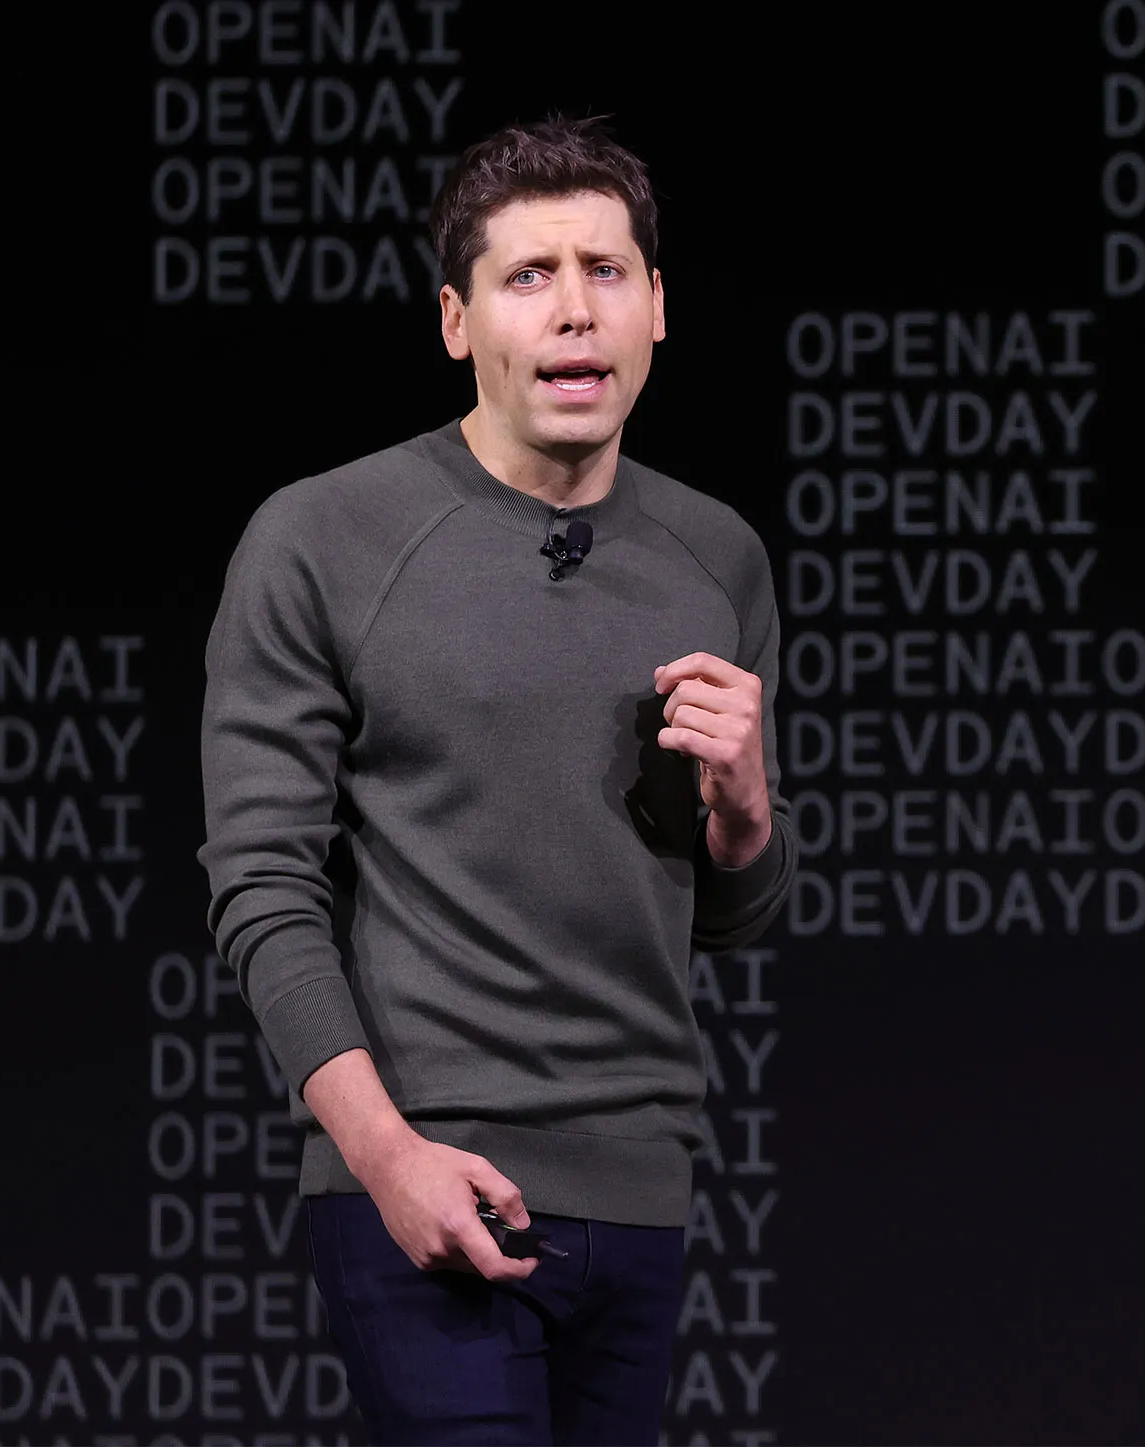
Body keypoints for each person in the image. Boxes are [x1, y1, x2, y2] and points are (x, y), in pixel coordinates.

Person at [197, 115, 796, 1446]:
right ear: (458, 321)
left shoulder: (718, 556)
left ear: (657, 308)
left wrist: (749, 808)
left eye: (606, 271)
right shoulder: (324, 539)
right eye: (531, 277)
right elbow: (262, 886)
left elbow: (728, 915)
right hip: (426, 1178)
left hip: (642, 1195)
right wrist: (384, 1155)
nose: (575, 312)